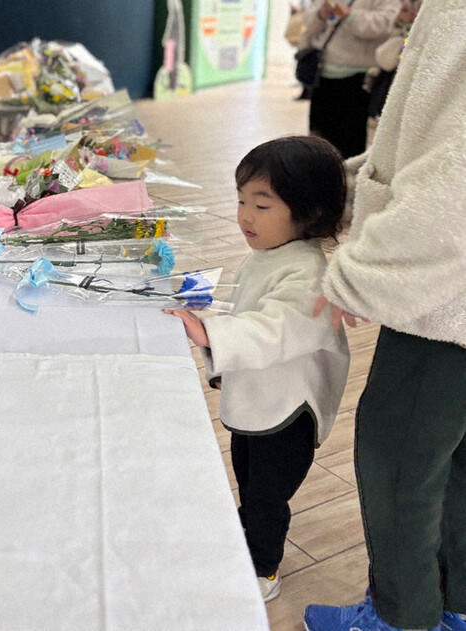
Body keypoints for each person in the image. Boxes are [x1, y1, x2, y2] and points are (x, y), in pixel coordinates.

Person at [304, 0, 466, 629]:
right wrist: (348, 186)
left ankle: (403, 619)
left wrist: (357, 277)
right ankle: (453, 606)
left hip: (445, 309)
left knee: (400, 463)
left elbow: (453, 188)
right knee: (453, 462)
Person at [165, 136, 350, 602]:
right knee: (247, 476)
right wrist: (225, 356)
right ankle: (246, 534)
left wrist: (212, 335)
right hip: (258, 397)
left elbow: (277, 329)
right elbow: (251, 311)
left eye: (262, 205)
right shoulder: (270, 254)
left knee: (267, 495)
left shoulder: (309, 273)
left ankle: (263, 569)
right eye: (242, 200)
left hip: (287, 411)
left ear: (308, 213)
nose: (245, 215)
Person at [300, 0, 397, 158]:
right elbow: (308, 23)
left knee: (349, 141)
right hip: (323, 73)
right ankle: (315, 176)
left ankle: (345, 180)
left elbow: (387, 25)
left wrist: (350, 15)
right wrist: (320, 14)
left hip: (358, 77)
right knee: (317, 138)